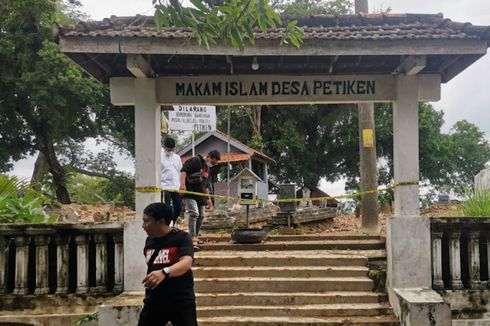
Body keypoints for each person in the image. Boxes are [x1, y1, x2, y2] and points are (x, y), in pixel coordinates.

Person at [138, 202, 197, 326]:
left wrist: (164, 272)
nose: (143, 226)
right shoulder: (149, 241)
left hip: (180, 300)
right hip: (155, 300)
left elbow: (186, 263)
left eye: (147, 221)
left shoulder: (182, 237)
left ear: (161, 221)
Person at [180, 150, 220, 250]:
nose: (213, 164)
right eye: (213, 162)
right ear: (208, 157)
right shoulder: (196, 161)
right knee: (194, 213)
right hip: (190, 192)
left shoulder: (207, 168)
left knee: (201, 216)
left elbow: (206, 185)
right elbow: (184, 171)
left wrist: (209, 199)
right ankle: (192, 237)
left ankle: (196, 236)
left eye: (214, 164)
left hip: (200, 194)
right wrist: (182, 185)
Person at [161, 137, 183, 225]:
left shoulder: (177, 157)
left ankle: (172, 222)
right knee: (167, 208)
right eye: (168, 149)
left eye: (172, 150)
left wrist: (181, 185)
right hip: (164, 187)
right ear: (164, 147)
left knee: (178, 207)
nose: (170, 151)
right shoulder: (159, 156)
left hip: (175, 187)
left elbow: (179, 171)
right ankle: (166, 224)